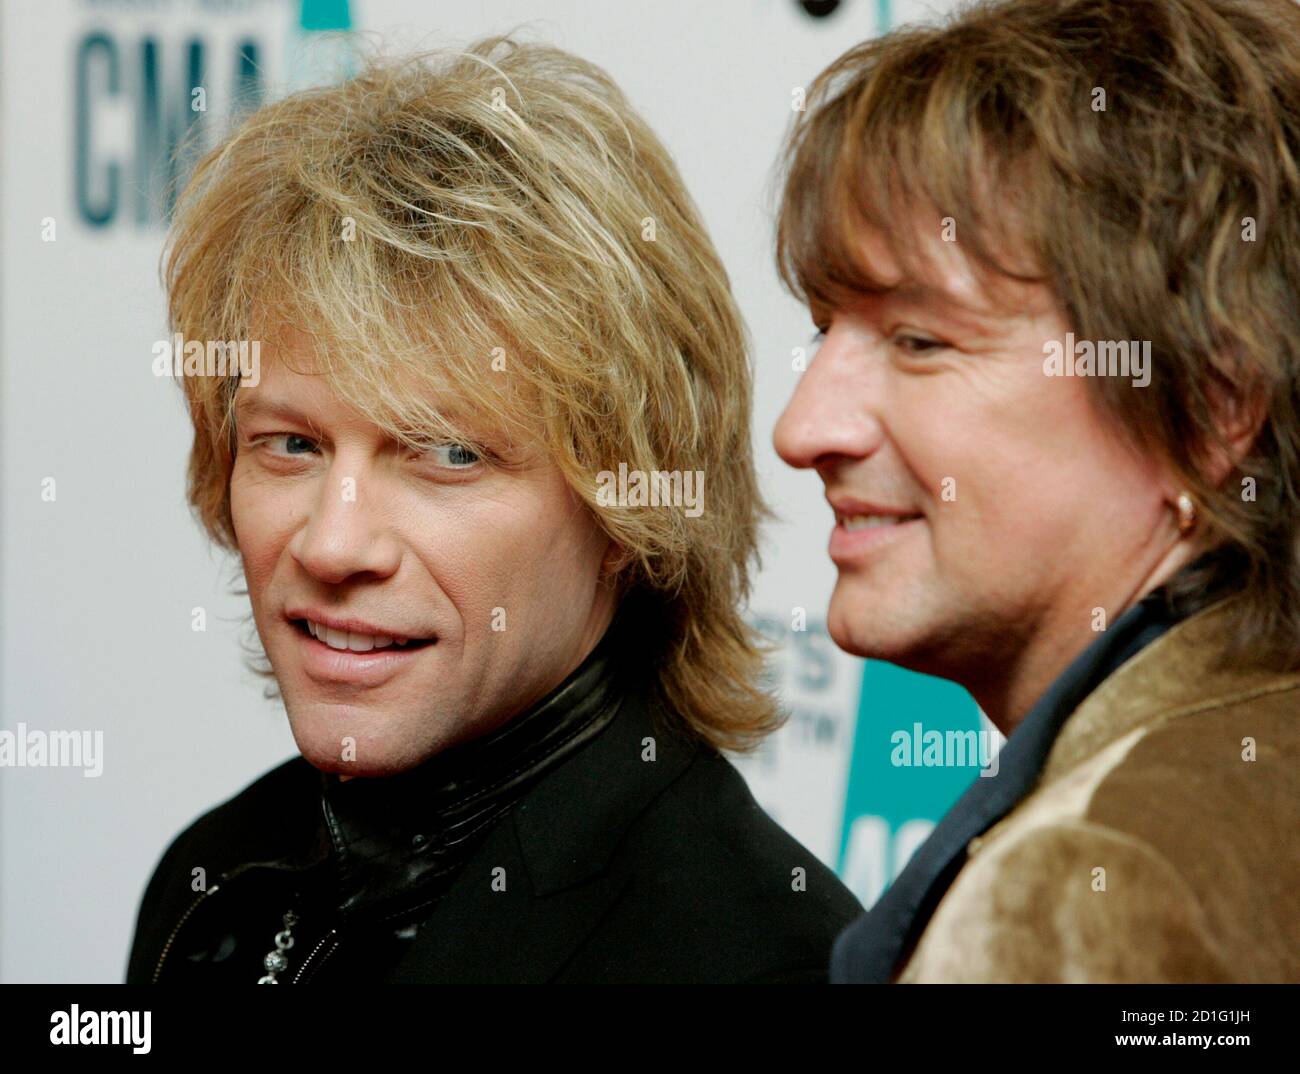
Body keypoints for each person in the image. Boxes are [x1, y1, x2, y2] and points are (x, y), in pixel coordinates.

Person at [125, 35, 861, 984]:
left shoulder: (757, 955)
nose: (333, 542)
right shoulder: (215, 881)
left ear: (625, 507)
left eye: (447, 455)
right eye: (293, 444)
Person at [772, 0, 1300, 982]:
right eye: (823, 331)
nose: (801, 430)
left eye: (919, 341)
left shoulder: (1094, 885)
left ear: (1210, 408)